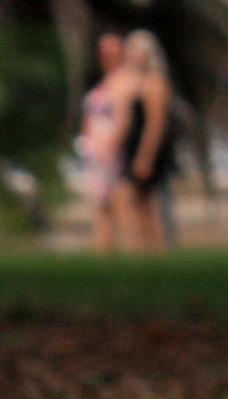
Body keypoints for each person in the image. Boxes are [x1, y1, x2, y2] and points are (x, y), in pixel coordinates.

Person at [110, 29, 178, 252]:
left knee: (128, 198)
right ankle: (150, 253)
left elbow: (155, 124)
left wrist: (145, 157)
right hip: (133, 148)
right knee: (143, 204)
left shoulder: (156, 82)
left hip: (147, 150)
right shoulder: (134, 83)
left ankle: (148, 248)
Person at [77, 31, 134, 252]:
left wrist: (111, 147)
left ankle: (136, 253)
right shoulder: (104, 81)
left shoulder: (124, 81)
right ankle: (103, 252)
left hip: (112, 150)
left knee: (120, 204)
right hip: (94, 150)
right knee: (100, 206)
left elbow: (124, 119)